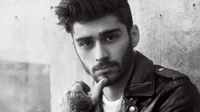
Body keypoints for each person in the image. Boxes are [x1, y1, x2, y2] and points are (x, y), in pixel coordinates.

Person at [55, 0, 200, 112]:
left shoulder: (173, 93)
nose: (100, 55)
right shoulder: (82, 102)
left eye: (111, 37)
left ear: (134, 36)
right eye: (86, 43)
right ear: (74, 46)